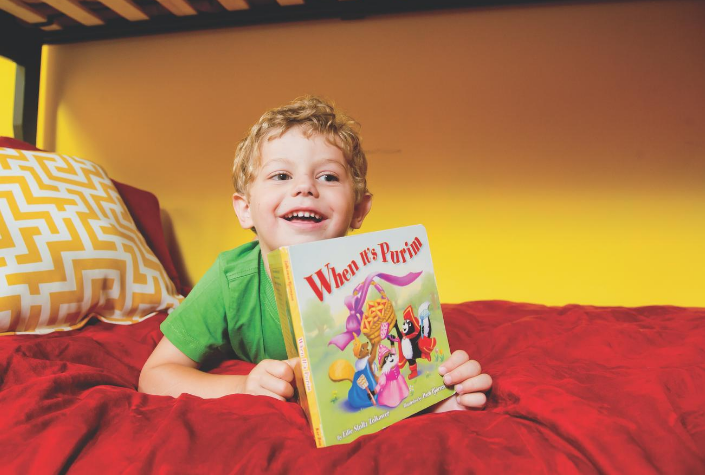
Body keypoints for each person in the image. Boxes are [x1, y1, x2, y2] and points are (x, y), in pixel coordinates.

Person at [139, 96, 492, 411]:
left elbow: (403, 361)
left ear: (358, 209)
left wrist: (445, 392)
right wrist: (241, 386)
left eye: (327, 177)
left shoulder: (377, 283)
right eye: (280, 175)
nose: (305, 187)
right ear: (245, 209)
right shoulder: (232, 280)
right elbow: (155, 376)